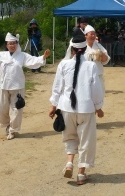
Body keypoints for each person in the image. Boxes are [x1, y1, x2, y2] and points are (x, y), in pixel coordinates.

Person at [48, 30, 104, 185]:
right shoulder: (91, 66)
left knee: (70, 137)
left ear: (71, 49)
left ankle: (69, 162)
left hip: (66, 108)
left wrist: (54, 106)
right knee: (86, 141)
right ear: (85, 49)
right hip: (86, 109)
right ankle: (81, 174)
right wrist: (99, 108)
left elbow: (57, 87)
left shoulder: (63, 65)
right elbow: (96, 90)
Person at [0, 32, 50, 140]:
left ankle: (12, 130)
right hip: (3, 86)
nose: (12, 45)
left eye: (14, 43)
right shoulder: (1, 55)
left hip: (17, 87)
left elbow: (33, 60)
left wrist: (43, 57)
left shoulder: (22, 56)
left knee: (16, 110)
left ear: (17, 44)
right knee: (0, 109)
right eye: (10, 43)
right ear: (7, 45)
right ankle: (7, 125)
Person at [83, 25, 110, 91]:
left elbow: (106, 60)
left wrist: (100, 54)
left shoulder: (98, 46)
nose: (93, 36)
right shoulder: (81, 46)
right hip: (84, 77)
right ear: (85, 35)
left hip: (98, 76)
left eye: (94, 34)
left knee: (99, 99)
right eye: (91, 34)